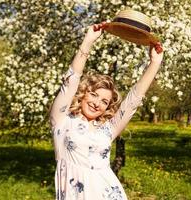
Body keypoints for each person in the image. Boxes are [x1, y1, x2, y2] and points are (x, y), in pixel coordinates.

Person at [50, 23, 163, 200]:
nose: (97, 104)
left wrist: (154, 64)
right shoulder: (62, 119)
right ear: (83, 94)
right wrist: (88, 41)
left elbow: (133, 101)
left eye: (104, 101)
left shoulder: (107, 128)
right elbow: (71, 79)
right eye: (94, 95)